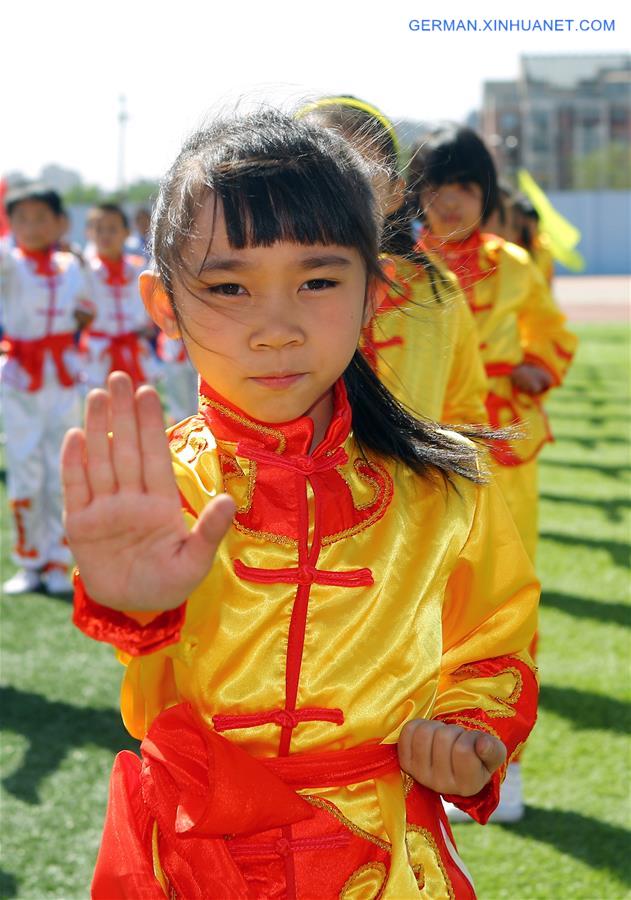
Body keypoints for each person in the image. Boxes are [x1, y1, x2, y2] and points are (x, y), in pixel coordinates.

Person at [62, 110, 539, 899]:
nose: (275, 329)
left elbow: (497, 639)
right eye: (227, 286)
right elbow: (150, 668)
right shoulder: (159, 484)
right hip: (192, 855)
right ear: (162, 303)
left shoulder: (442, 489)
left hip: (383, 857)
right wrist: (134, 612)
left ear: (374, 293)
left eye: (317, 280)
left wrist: (467, 729)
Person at [410, 125, 577, 821]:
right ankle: (421, 753)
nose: (450, 203)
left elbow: (551, 332)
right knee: (418, 604)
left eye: (466, 189)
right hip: (420, 455)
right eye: (437, 187)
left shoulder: (513, 263)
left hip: (502, 452)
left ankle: (499, 768)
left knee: (502, 605)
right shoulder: (398, 267)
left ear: (485, 196)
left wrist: (540, 367)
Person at [299, 96, 488, 426]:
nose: (337, 201)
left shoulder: (435, 292)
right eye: (314, 180)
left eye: (359, 182)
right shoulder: (265, 291)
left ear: (395, 195)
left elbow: (464, 409)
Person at [1, 184, 94, 595]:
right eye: (22, 218)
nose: (32, 226)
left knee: (62, 469)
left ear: (60, 222)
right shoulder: (11, 263)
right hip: (21, 376)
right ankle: (29, 559)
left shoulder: (72, 265)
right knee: (24, 469)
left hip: (63, 374)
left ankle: (59, 558)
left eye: (42, 217)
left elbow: (90, 307)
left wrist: (79, 319)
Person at [82, 203, 160, 389]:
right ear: (89, 233)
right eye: (99, 229)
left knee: (142, 402)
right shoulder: (85, 270)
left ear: (126, 232)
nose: (105, 235)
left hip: (135, 347)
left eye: (112, 229)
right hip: (99, 351)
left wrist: (150, 324)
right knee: (101, 404)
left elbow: (151, 299)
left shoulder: (139, 267)